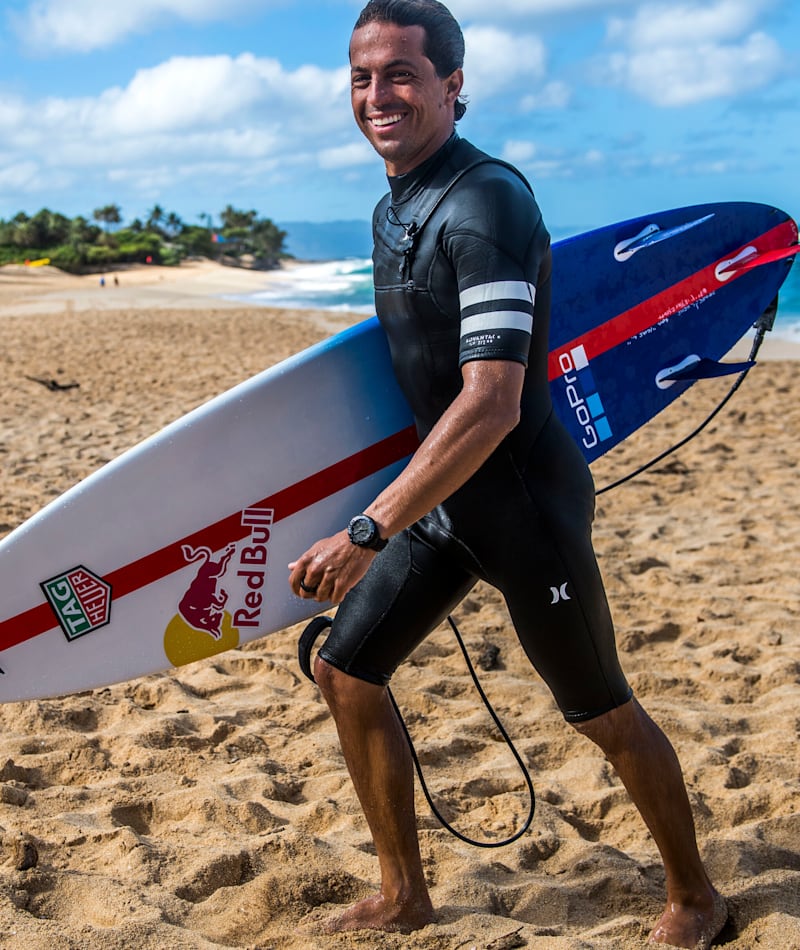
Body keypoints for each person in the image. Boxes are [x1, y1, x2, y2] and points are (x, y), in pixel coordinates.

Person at [288, 1, 727, 946]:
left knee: (600, 707)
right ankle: (405, 892)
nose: (377, 96)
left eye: (401, 73)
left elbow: (490, 398)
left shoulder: (486, 203)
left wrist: (368, 530)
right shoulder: (395, 202)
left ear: (453, 83)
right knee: (346, 669)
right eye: (362, 77)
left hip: (522, 502)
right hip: (446, 501)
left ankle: (697, 895)